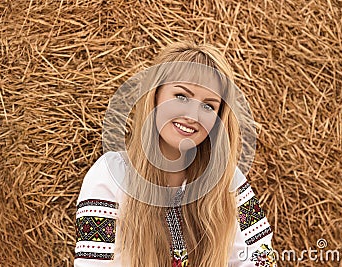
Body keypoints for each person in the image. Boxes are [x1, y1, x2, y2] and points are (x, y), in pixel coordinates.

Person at [74, 41, 277, 267]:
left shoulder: (231, 182)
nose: (193, 115)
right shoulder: (110, 176)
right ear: (155, 95)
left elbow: (261, 258)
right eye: (181, 96)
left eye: (208, 106)